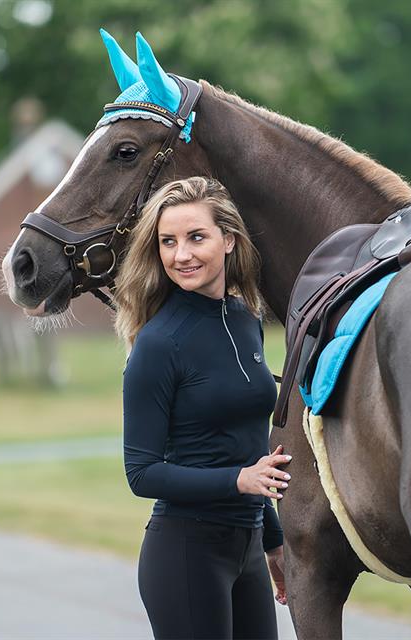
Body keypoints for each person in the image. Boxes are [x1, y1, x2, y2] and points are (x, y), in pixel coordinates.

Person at [113, 176, 291, 640]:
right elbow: (142, 472)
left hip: (249, 547)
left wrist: (273, 543)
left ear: (228, 240)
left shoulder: (245, 319)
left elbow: (247, 447)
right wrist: (240, 479)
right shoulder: (158, 343)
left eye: (196, 237)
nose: (181, 255)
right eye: (168, 242)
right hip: (186, 553)